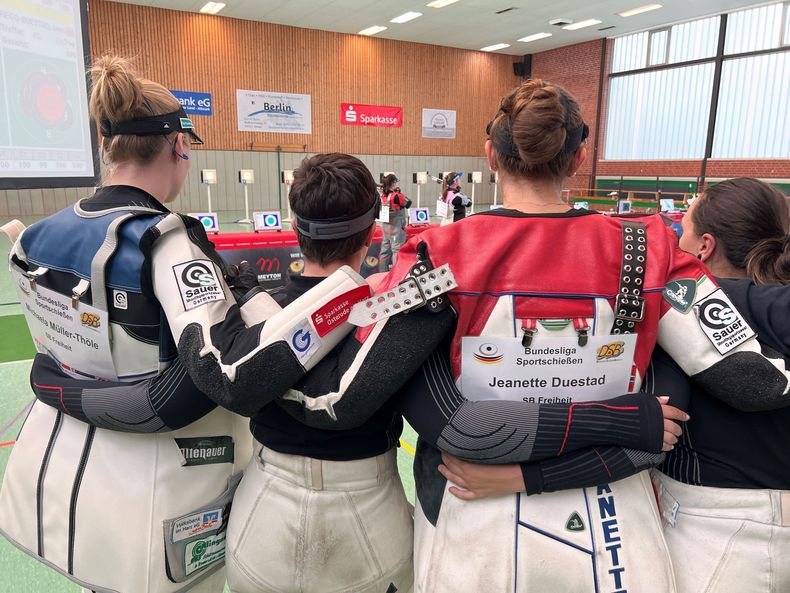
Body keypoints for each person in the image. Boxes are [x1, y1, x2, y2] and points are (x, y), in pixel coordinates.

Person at [275, 80, 790, 593]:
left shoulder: (438, 254)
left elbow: (354, 385)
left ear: (491, 157)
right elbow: (754, 383)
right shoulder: (651, 245)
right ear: (577, 158)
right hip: (613, 517)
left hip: (474, 518)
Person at [0, 57, 371, 593]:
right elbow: (219, 379)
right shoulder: (166, 240)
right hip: (161, 498)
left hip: (68, 492)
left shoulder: (38, 234)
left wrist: (53, 386)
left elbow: (53, 359)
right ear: (179, 146)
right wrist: (289, 309)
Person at [224, 153, 413, 593]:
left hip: (260, 520)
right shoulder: (396, 313)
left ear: (295, 231)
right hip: (369, 521)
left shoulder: (254, 311)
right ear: (372, 231)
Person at [649, 178, 790, 593]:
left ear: (704, 246)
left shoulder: (681, 298)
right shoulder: (775, 305)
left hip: (719, 530)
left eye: (684, 230)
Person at [379, 173, 412, 272]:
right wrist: (399, 193)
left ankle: (382, 273)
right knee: (396, 250)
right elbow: (409, 203)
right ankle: (396, 273)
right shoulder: (397, 196)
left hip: (385, 229)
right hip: (396, 230)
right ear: (393, 183)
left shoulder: (382, 195)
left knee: (384, 251)